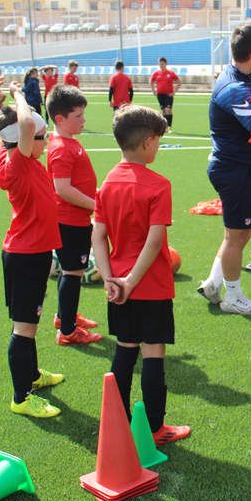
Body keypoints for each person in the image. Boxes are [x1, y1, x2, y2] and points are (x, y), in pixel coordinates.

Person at [91, 105, 191, 446]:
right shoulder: (158, 185)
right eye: (158, 142)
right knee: (153, 354)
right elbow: (154, 240)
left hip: (118, 286)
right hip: (148, 285)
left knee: (124, 349)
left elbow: (97, 237)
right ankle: (154, 428)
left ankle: (119, 422)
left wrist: (109, 279)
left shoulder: (107, 184)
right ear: (148, 142)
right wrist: (132, 280)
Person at [198, 21, 251, 315]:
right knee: (236, 236)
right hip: (234, 170)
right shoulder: (234, 87)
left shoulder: (241, 78)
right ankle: (232, 297)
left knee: (246, 230)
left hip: (242, 168)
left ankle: (212, 282)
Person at [0, 77, 64, 418]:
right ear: (21, 140)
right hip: (26, 255)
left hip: (29, 252)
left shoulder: (13, 157)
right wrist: (19, 95)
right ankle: (21, 397)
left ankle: (32, 376)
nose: (45, 139)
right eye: (40, 136)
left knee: (29, 322)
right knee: (24, 326)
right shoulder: (18, 163)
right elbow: (20, 124)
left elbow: (7, 127)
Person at [46, 84, 104, 346]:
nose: (83, 120)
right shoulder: (61, 148)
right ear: (60, 119)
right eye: (78, 116)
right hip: (69, 221)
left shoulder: (70, 143)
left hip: (75, 219)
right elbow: (62, 189)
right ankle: (67, 331)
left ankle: (64, 316)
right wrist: (95, 205)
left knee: (73, 271)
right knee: (72, 272)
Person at [150, 57, 180, 132]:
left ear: (166, 64)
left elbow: (179, 82)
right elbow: (151, 81)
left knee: (168, 110)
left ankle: (169, 127)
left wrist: (174, 92)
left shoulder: (170, 73)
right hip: (160, 95)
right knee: (163, 111)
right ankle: (164, 127)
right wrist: (153, 90)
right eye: (160, 64)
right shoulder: (156, 73)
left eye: (162, 64)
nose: (161, 65)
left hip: (168, 95)